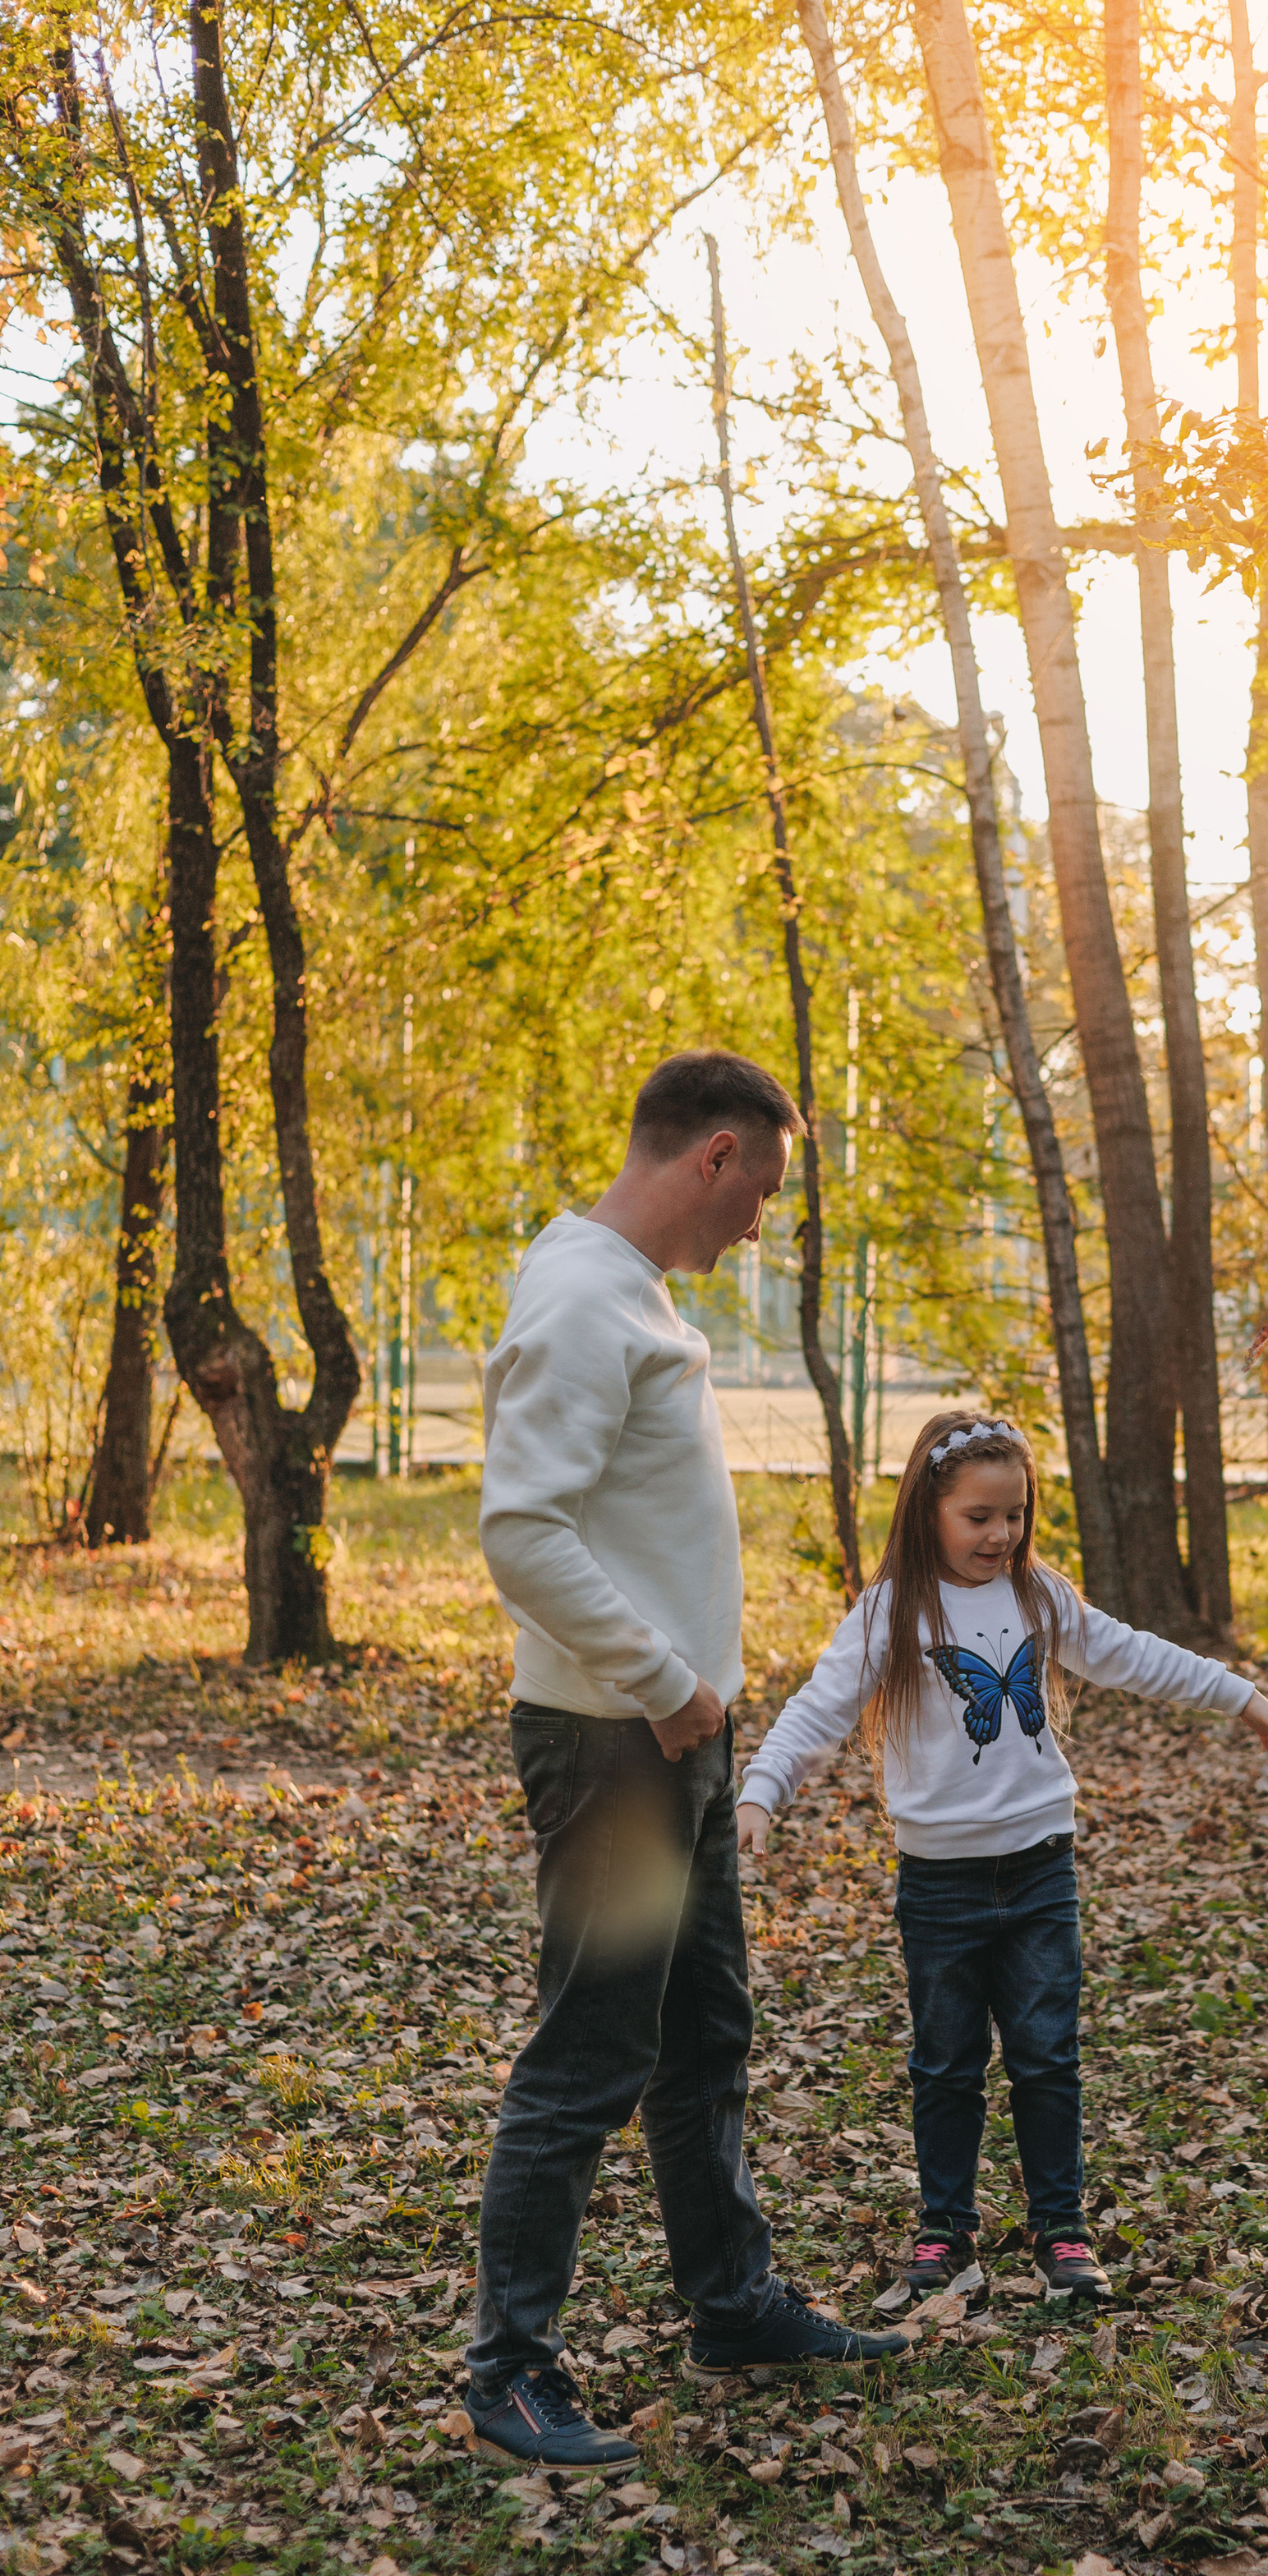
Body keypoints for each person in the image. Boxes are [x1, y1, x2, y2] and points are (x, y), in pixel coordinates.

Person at [466, 1049, 908, 2470]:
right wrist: (663, 1685)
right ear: (712, 1157)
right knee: (591, 2052)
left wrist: (693, 1700)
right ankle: (509, 2367)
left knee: (705, 2030)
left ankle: (732, 2302)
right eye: (764, 1188)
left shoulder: (627, 1292)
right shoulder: (582, 1300)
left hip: (676, 1740)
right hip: (618, 1746)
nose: (764, 1221)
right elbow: (521, 1528)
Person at [735, 1411, 1268, 2305]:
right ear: (929, 1509)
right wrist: (762, 1790)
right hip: (938, 1882)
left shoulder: (1039, 1595)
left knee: (1047, 2055)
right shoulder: (894, 1610)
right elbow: (818, 1711)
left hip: (1041, 1866)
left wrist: (1240, 1697)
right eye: (979, 1517)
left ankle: (1061, 2232)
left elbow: (1134, 1656)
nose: (1000, 1534)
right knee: (945, 2062)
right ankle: (946, 2236)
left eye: (1014, 1514)